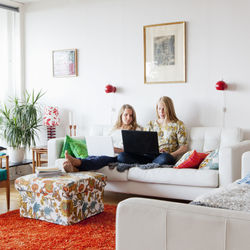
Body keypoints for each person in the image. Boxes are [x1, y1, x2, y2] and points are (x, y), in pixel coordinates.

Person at [63, 104, 142, 172]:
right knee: (93, 157)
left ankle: (77, 162)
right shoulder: (114, 129)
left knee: (101, 159)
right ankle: (74, 169)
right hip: (108, 152)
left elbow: (133, 150)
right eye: (126, 115)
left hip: (120, 155)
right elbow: (106, 141)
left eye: (131, 115)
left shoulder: (136, 129)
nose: (128, 118)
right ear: (121, 115)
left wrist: (115, 149)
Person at [117, 96, 188, 165]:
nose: (161, 112)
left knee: (166, 158)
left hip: (164, 156)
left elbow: (184, 147)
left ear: (169, 109)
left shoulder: (178, 124)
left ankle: (146, 165)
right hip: (148, 156)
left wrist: (171, 154)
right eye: (159, 109)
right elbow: (142, 144)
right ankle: (149, 165)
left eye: (164, 109)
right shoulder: (151, 124)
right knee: (122, 156)